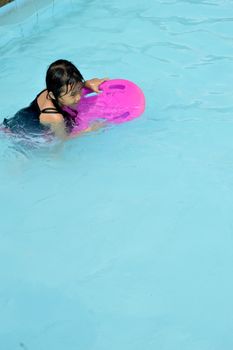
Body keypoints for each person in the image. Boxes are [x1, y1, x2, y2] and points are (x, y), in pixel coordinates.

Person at [2, 59, 108, 139]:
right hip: (22, 134)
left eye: (79, 89)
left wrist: (87, 84)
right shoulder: (55, 117)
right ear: (53, 95)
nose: (79, 97)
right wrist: (89, 130)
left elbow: (72, 85)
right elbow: (63, 140)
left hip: (20, 118)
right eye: (73, 95)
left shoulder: (54, 89)